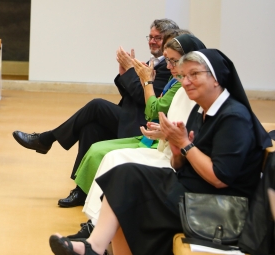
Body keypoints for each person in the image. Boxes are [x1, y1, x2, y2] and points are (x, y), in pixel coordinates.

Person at [49, 49, 271, 255]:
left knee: (127, 190)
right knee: (122, 175)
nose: (186, 82)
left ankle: (93, 247)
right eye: (184, 75)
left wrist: (185, 144)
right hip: (192, 190)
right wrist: (177, 151)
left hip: (217, 206)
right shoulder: (201, 109)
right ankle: (95, 246)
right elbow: (182, 164)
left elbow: (219, 178)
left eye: (194, 74)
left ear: (216, 78)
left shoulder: (234, 118)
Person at [13, 19, 179, 207]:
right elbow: (131, 95)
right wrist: (125, 73)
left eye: (158, 38)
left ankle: (47, 139)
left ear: (168, 40)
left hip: (142, 125)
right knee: (90, 128)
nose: (152, 41)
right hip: (129, 116)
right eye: (151, 37)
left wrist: (131, 72)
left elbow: (144, 99)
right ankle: (81, 190)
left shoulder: (168, 68)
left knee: (97, 105)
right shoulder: (152, 63)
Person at [68, 32, 205, 238]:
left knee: (98, 113)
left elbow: (153, 110)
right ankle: (94, 222)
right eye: (168, 60)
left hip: (168, 153)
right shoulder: (177, 83)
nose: (169, 66)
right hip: (158, 141)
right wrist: (164, 132)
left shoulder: (183, 86)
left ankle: (96, 229)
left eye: (174, 61)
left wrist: (146, 81)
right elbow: (155, 112)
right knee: (99, 139)